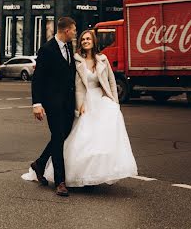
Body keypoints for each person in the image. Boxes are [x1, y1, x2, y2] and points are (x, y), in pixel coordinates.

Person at [23, 29, 137, 191]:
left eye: (88, 38)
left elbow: (111, 82)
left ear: (94, 41)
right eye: (83, 39)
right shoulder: (76, 59)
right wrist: (74, 103)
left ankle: (94, 172)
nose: (85, 41)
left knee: (101, 138)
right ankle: (63, 173)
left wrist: (114, 102)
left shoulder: (103, 59)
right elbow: (71, 83)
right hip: (83, 102)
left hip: (102, 102)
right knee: (76, 137)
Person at [24, 16, 77, 197]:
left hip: (69, 103)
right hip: (53, 103)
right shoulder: (46, 49)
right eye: (74, 30)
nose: (75, 33)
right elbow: (38, 79)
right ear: (66, 31)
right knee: (58, 137)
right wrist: (37, 104)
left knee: (61, 136)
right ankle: (60, 182)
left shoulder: (70, 47)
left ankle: (40, 163)